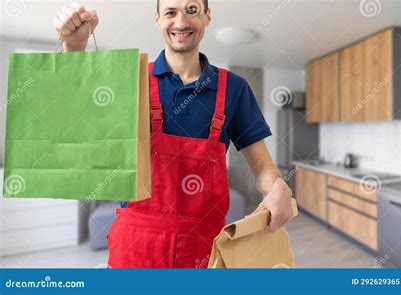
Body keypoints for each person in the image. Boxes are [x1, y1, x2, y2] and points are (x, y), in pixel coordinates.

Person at [53, 0, 295, 268]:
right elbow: (74, 127)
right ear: (158, 18)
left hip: (206, 250)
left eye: (191, 10)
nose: (181, 22)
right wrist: (73, 51)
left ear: (207, 17)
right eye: (170, 12)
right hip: (134, 248)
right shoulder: (130, 80)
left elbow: (261, 166)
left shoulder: (234, 89)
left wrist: (278, 187)